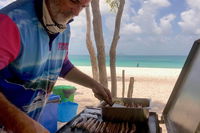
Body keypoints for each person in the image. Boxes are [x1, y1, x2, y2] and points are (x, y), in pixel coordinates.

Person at [0, 0, 112, 132]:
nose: (76, 12)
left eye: (83, 7)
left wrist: (93, 84)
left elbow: (62, 65)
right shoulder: (10, 22)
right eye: (74, 2)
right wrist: (18, 122)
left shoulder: (64, 28)